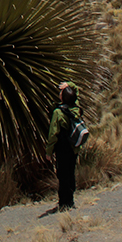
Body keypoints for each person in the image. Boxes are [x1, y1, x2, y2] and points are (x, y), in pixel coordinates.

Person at [45, 81, 81, 211]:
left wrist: (49, 152)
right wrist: (70, 85)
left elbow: (53, 134)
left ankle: (63, 203)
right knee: (71, 171)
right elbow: (76, 92)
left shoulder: (58, 113)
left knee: (62, 174)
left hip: (63, 148)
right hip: (74, 147)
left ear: (62, 97)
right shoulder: (76, 107)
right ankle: (70, 200)